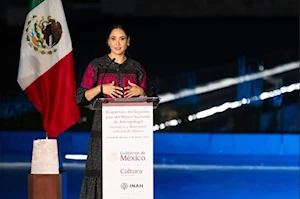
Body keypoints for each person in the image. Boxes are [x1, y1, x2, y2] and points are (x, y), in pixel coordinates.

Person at [76, 24, 156, 198]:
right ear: (108, 42)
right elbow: (80, 97)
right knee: (101, 175)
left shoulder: (137, 68)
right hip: (103, 131)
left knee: (127, 177)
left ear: (128, 42)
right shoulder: (97, 66)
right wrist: (101, 88)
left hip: (130, 132)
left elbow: (152, 99)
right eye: (113, 39)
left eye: (122, 39)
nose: (117, 43)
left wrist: (141, 92)